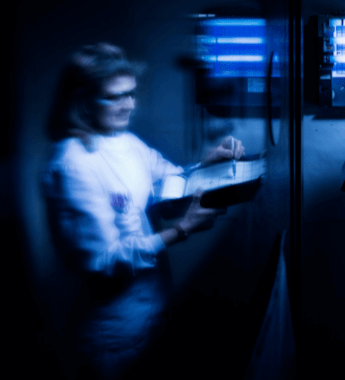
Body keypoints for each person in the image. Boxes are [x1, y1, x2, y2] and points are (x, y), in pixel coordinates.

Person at [43, 43, 244, 379]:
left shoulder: (126, 141)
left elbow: (167, 184)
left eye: (132, 93)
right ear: (83, 100)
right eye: (115, 96)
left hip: (154, 306)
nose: (129, 105)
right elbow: (105, 260)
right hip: (113, 331)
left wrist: (206, 165)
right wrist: (181, 230)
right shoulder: (72, 164)